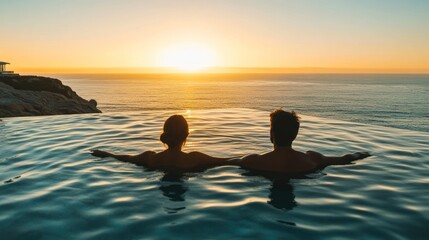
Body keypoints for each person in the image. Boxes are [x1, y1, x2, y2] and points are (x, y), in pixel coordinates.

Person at [238, 109, 370, 173]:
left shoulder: (252, 161)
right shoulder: (313, 159)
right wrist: (363, 154)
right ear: (295, 135)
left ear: (271, 134)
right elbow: (344, 159)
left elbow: (221, 161)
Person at [91, 114, 235, 170]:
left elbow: (126, 158)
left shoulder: (150, 158)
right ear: (186, 135)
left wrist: (105, 153)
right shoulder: (194, 159)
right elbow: (227, 161)